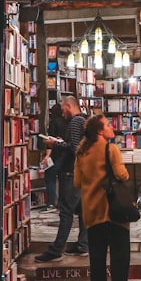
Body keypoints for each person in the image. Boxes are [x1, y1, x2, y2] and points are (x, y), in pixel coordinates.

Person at [73, 113, 134, 281]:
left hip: (91, 210)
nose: (111, 127)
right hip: (113, 210)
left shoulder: (81, 153)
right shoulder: (111, 149)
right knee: (120, 253)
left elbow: (77, 182)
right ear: (100, 131)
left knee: (97, 254)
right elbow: (121, 174)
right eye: (108, 125)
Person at [35, 95, 88, 261]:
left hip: (70, 172)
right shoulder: (84, 120)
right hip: (79, 172)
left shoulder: (74, 122)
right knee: (82, 212)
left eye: (63, 108)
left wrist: (54, 143)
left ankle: (56, 250)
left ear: (68, 105)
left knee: (66, 212)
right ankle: (83, 245)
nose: (62, 112)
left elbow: (73, 148)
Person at [41, 103, 67, 209]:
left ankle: (51, 202)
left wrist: (47, 155)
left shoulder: (54, 123)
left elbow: (50, 142)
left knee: (50, 177)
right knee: (63, 179)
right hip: (66, 154)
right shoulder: (68, 122)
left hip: (55, 154)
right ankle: (62, 202)